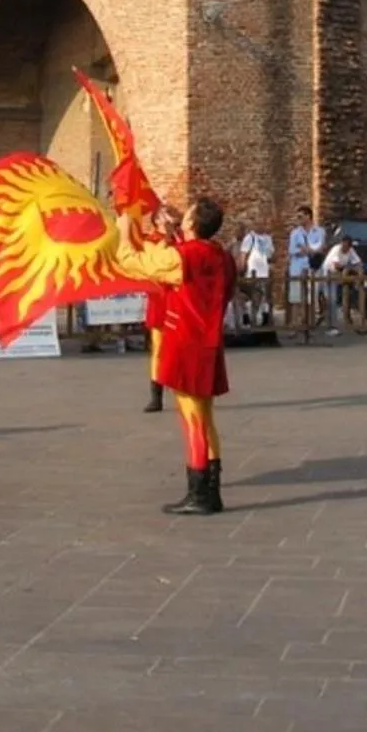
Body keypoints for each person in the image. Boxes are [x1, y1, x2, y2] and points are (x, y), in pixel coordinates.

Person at [115, 197, 236, 516]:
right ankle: (212, 490)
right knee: (206, 419)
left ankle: (199, 493)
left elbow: (133, 264)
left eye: (188, 213)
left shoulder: (184, 257)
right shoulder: (222, 257)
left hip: (185, 342)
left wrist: (124, 231)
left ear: (193, 223)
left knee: (191, 420)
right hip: (209, 343)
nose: (183, 216)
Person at [140, 204, 177, 413]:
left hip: (178, 295)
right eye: (165, 215)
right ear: (156, 220)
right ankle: (156, 395)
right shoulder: (150, 242)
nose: (170, 219)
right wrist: (167, 240)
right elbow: (155, 264)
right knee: (159, 348)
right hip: (159, 297)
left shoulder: (180, 239)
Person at [320, 230, 366, 335]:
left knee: (337, 300)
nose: (345, 249)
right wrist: (349, 267)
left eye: (347, 247)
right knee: (330, 300)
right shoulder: (336, 249)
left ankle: (336, 325)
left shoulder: (351, 251)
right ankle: (328, 324)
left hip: (338, 277)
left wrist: (359, 273)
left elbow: (359, 263)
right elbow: (337, 265)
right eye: (343, 246)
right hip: (327, 275)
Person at [285, 206, 324, 330]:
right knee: (296, 298)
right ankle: (295, 325)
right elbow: (292, 250)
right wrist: (308, 250)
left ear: (308, 216)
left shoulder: (319, 231)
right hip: (297, 268)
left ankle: (309, 324)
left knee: (311, 298)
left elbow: (320, 248)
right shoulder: (295, 233)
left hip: (312, 267)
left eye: (300, 217)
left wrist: (306, 249)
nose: (298, 219)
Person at [235, 221, 272, 328]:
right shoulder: (250, 238)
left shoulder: (268, 239)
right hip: (252, 272)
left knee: (263, 297)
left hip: (264, 272)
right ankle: (248, 318)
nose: (261, 225)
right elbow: (243, 254)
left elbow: (271, 255)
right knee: (252, 296)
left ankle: (262, 319)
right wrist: (241, 268)